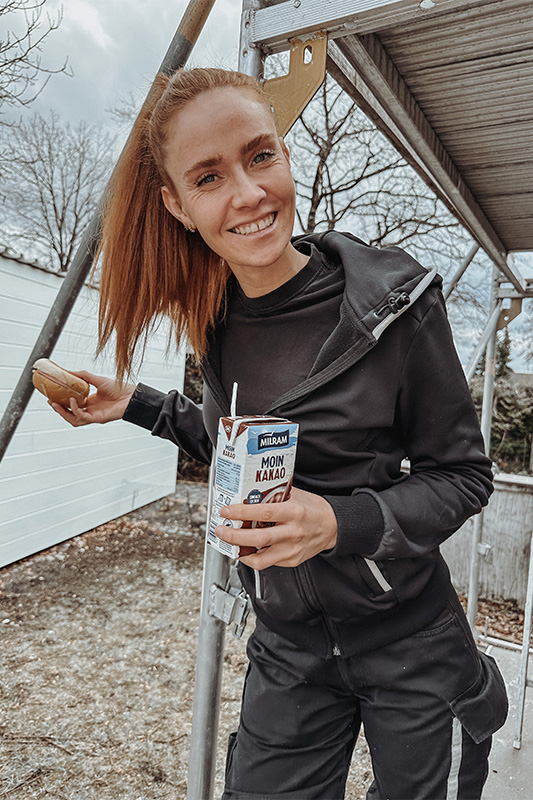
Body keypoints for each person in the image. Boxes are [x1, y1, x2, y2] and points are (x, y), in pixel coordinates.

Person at [51, 67, 508, 800]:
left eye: (260, 155)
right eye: (208, 177)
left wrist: (337, 521)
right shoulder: (217, 318)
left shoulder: (396, 306)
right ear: (177, 204)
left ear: (284, 156)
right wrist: (134, 403)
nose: (248, 193)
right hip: (290, 651)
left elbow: (462, 476)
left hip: (412, 645)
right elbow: (239, 448)